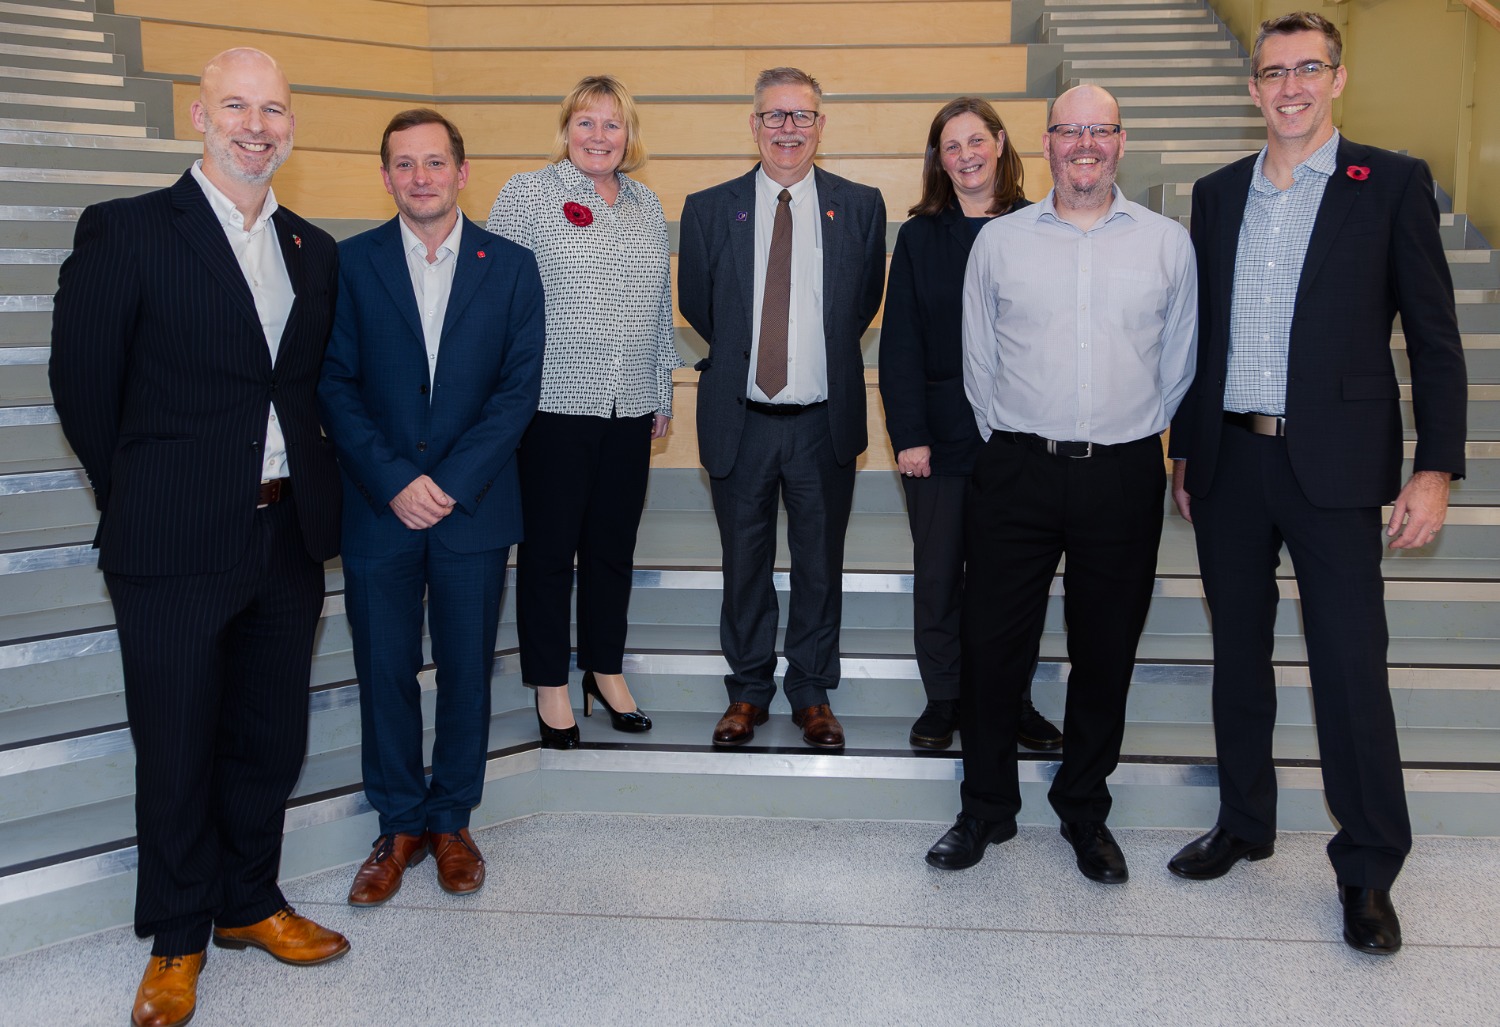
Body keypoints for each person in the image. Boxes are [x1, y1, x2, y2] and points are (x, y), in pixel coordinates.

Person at [49, 47, 347, 1027]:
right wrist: (143, 491)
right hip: (171, 538)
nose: (256, 125)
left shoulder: (314, 248)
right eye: (236, 106)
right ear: (198, 117)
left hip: (285, 534)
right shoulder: (130, 231)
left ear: (290, 125)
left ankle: (248, 901)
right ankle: (177, 938)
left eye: (273, 109)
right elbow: (83, 386)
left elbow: (300, 391)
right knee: (176, 744)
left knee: (269, 736)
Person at [1165, 12, 1466, 955]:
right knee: (1240, 659)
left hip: (1336, 469)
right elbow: (1198, 336)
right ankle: (1246, 823)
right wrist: (1183, 446)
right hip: (1228, 462)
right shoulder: (1216, 196)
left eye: (1308, 68)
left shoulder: (1391, 183)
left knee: (1347, 667)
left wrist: (1435, 467)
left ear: (1338, 78)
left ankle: (1370, 864)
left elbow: (1434, 338)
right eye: (1273, 72)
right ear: (1252, 88)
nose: (1289, 85)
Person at [925, 85, 1196, 881]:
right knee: (990, 646)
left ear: (1121, 139)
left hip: (1121, 470)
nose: (1085, 144)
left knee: (1105, 649)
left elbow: (1178, 365)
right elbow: (980, 364)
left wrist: (1133, 430)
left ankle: (1083, 809)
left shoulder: (1167, 245)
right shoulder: (1001, 243)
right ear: (1043, 143)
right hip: (1016, 467)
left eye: (1100, 130)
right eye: (1070, 130)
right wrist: (1013, 438)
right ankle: (985, 810)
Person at [318, 110, 544, 906]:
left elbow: (518, 391)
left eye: (435, 162)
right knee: (384, 670)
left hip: (473, 507)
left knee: (465, 672)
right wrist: (394, 481)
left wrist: (447, 482)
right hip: (380, 508)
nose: (421, 177)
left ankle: (451, 819)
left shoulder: (512, 266)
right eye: (404, 164)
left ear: (462, 170)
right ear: (384, 176)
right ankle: (399, 824)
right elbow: (333, 384)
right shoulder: (347, 264)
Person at [678, 67, 887, 750]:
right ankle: (747, 690)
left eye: (802, 116)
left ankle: (811, 691)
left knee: (820, 562)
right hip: (742, 418)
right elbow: (702, 309)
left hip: (822, 421)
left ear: (821, 126)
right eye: (775, 115)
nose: (788, 128)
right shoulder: (711, 208)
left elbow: (858, 306)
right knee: (745, 563)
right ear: (754, 124)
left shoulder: (860, 206)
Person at [487, 75, 680, 748]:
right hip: (551, 405)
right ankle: (549, 681)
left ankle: (604, 668)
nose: (600, 136)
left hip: (629, 405)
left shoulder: (647, 203)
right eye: (587, 123)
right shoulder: (528, 194)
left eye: (613, 124)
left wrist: (662, 388)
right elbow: (495, 297)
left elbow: (660, 308)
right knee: (547, 553)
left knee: (611, 549)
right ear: (566, 128)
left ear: (630, 135)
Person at [879, 97, 1062, 753]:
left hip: (1024, 438)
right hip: (940, 439)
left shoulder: (1043, 226)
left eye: (975, 141)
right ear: (939, 160)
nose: (965, 155)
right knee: (938, 577)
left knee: (1014, 580)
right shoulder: (921, 236)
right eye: (951, 146)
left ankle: (1011, 700)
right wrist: (910, 437)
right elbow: (898, 345)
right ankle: (945, 698)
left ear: (1001, 144)